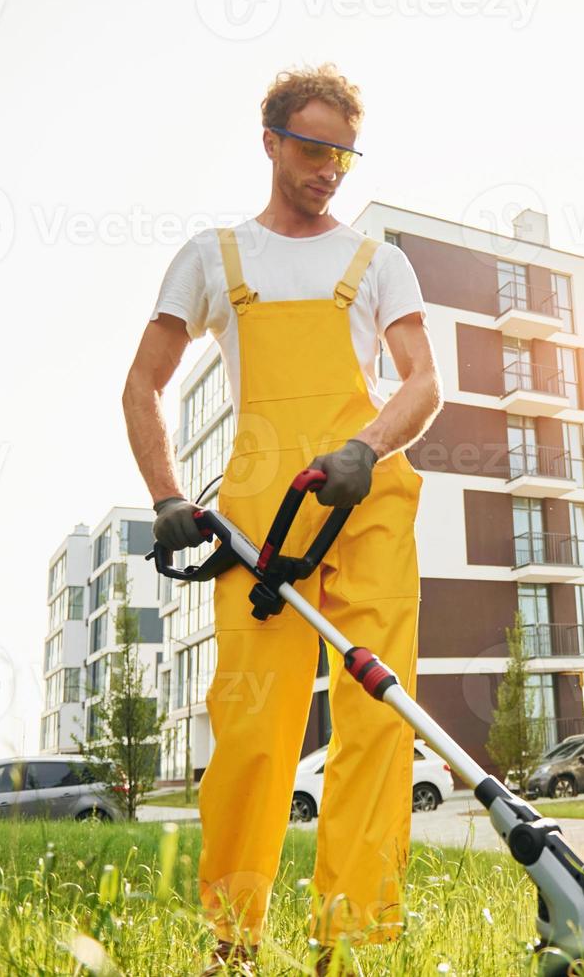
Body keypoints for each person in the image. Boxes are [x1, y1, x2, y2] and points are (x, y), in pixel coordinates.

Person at [121, 63, 442, 976]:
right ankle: (232, 942)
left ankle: (350, 942)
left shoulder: (380, 262)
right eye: (312, 147)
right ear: (269, 141)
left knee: (378, 721)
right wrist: (168, 496)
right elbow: (142, 386)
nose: (329, 168)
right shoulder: (214, 257)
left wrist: (367, 449)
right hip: (262, 512)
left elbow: (423, 381)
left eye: (343, 152)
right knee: (256, 731)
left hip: (365, 498)